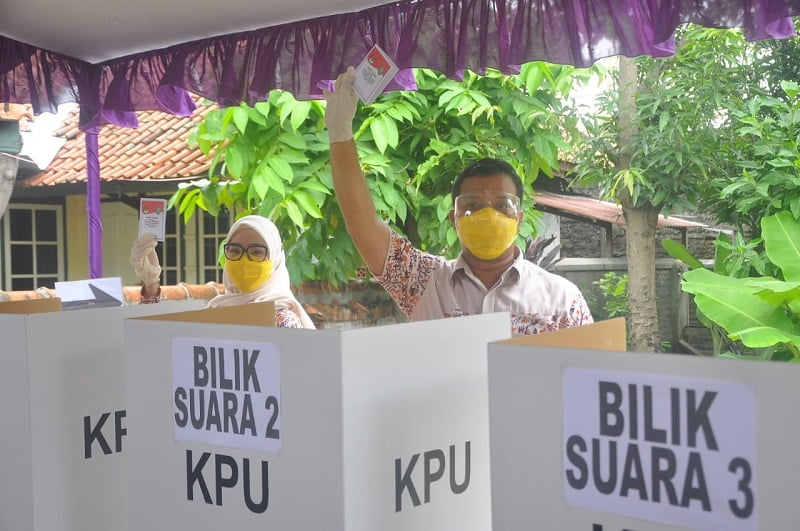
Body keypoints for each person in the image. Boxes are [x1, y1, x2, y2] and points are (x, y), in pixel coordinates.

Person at [323, 67, 592, 335]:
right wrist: (339, 131)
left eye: (501, 205)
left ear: (519, 219)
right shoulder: (422, 282)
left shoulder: (562, 301)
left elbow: (584, 372)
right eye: (473, 206)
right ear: (453, 219)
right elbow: (362, 226)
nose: (488, 214)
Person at [129, 215, 316, 329]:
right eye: (235, 250)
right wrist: (151, 285)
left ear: (275, 259)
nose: (244, 261)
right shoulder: (216, 310)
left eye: (256, 252)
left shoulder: (283, 318)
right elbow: (163, 346)